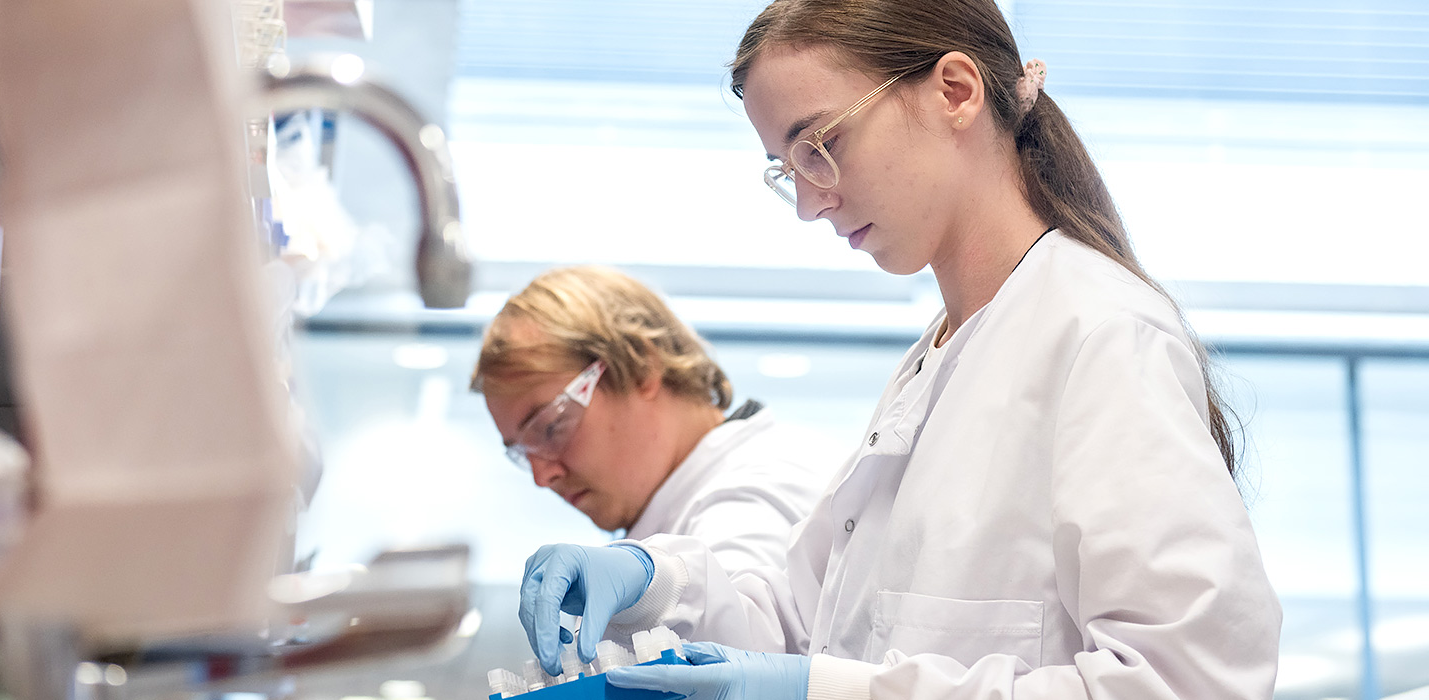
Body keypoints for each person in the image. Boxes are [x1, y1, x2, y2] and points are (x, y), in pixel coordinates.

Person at [514, 1, 1283, 699]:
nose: (811, 203)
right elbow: (816, 629)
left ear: (955, 91)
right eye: (790, 169)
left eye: (821, 144)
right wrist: (655, 583)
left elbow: (1186, 684)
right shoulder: (939, 356)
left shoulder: (1101, 336)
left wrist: (828, 694)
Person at [473, 265, 836, 574]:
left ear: (641, 368)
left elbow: (733, 611)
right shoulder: (677, 507)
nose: (542, 476)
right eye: (521, 452)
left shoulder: (749, 501)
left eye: (551, 428)